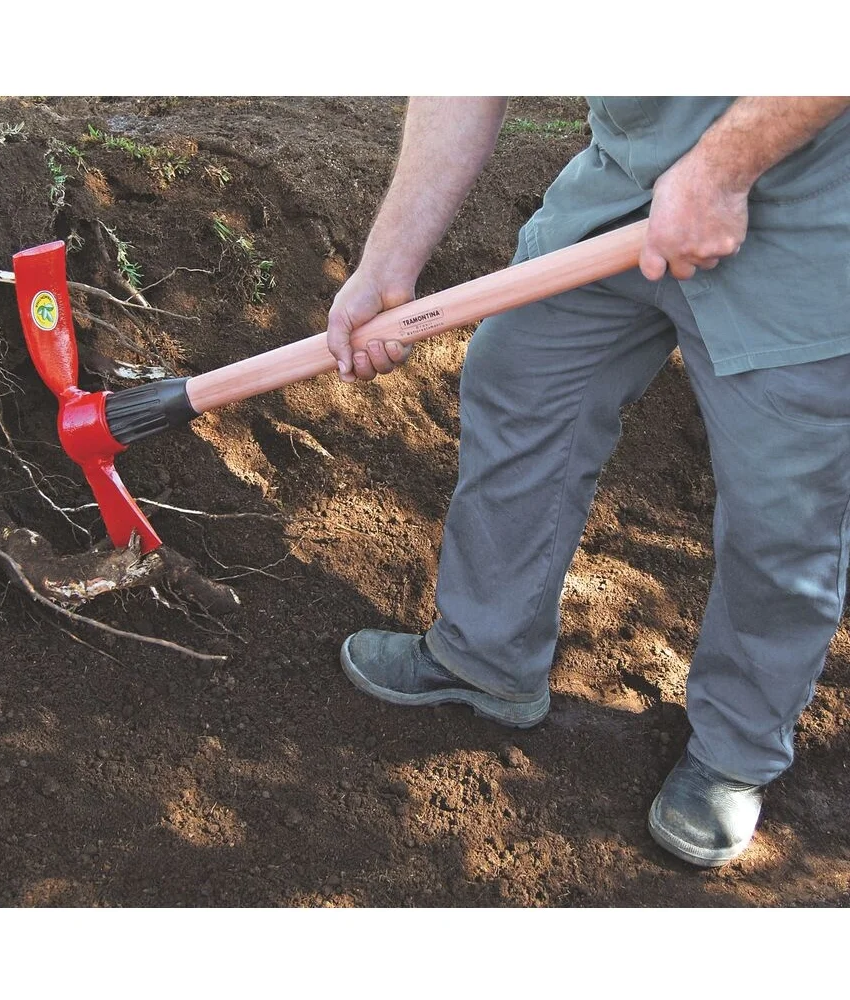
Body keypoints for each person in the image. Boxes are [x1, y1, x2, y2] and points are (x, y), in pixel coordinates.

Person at [325, 97, 850, 868]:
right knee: (521, 376)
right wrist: (386, 264)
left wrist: (721, 169)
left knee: (783, 504)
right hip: (622, 191)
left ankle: (735, 750)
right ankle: (485, 655)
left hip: (809, 217)